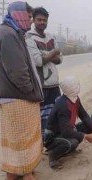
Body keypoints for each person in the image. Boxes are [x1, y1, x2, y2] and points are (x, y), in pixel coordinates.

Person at [0, 2, 43, 179]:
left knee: (15, 141)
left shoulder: (11, 31)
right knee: (21, 141)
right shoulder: (9, 34)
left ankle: (15, 173)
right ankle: (25, 174)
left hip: (13, 97)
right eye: (28, 17)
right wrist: (30, 91)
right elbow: (18, 72)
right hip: (17, 98)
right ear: (18, 15)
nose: (30, 21)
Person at [44, 76, 92, 168]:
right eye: (76, 85)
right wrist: (86, 136)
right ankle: (53, 156)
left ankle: (69, 149)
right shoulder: (63, 105)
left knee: (88, 126)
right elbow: (66, 132)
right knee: (73, 142)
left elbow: (83, 114)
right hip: (52, 137)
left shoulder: (75, 98)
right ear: (72, 88)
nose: (78, 86)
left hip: (65, 130)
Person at [26, 7, 62, 142]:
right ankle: (45, 144)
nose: (42, 22)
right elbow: (38, 61)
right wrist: (53, 53)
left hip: (54, 85)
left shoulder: (51, 37)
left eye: (44, 20)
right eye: (39, 20)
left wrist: (46, 55)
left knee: (56, 115)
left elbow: (60, 59)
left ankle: (55, 143)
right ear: (33, 20)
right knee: (43, 118)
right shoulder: (29, 38)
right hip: (42, 86)